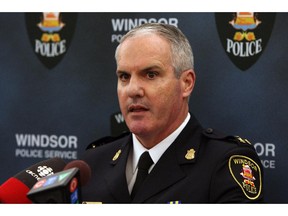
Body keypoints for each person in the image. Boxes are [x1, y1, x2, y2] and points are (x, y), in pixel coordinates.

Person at [80, 23, 264, 203]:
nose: (132, 90)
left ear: (186, 83)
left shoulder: (224, 164)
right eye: (124, 77)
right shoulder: (92, 163)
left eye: (150, 74)